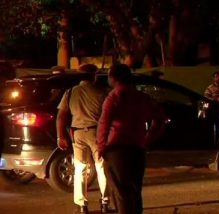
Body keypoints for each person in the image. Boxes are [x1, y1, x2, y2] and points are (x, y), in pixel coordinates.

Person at [97, 64, 166, 214]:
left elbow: (104, 123)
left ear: (113, 78)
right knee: (135, 191)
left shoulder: (114, 97)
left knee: (121, 192)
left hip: (117, 149)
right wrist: (148, 139)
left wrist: (101, 146)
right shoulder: (141, 97)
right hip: (137, 148)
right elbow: (160, 119)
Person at [56, 64, 110, 214]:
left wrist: (60, 136)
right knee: (101, 167)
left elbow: (61, 116)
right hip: (97, 132)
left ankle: (82, 206)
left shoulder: (70, 92)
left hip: (78, 134)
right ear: (94, 75)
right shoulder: (102, 92)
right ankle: (105, 203)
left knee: (80, 169)